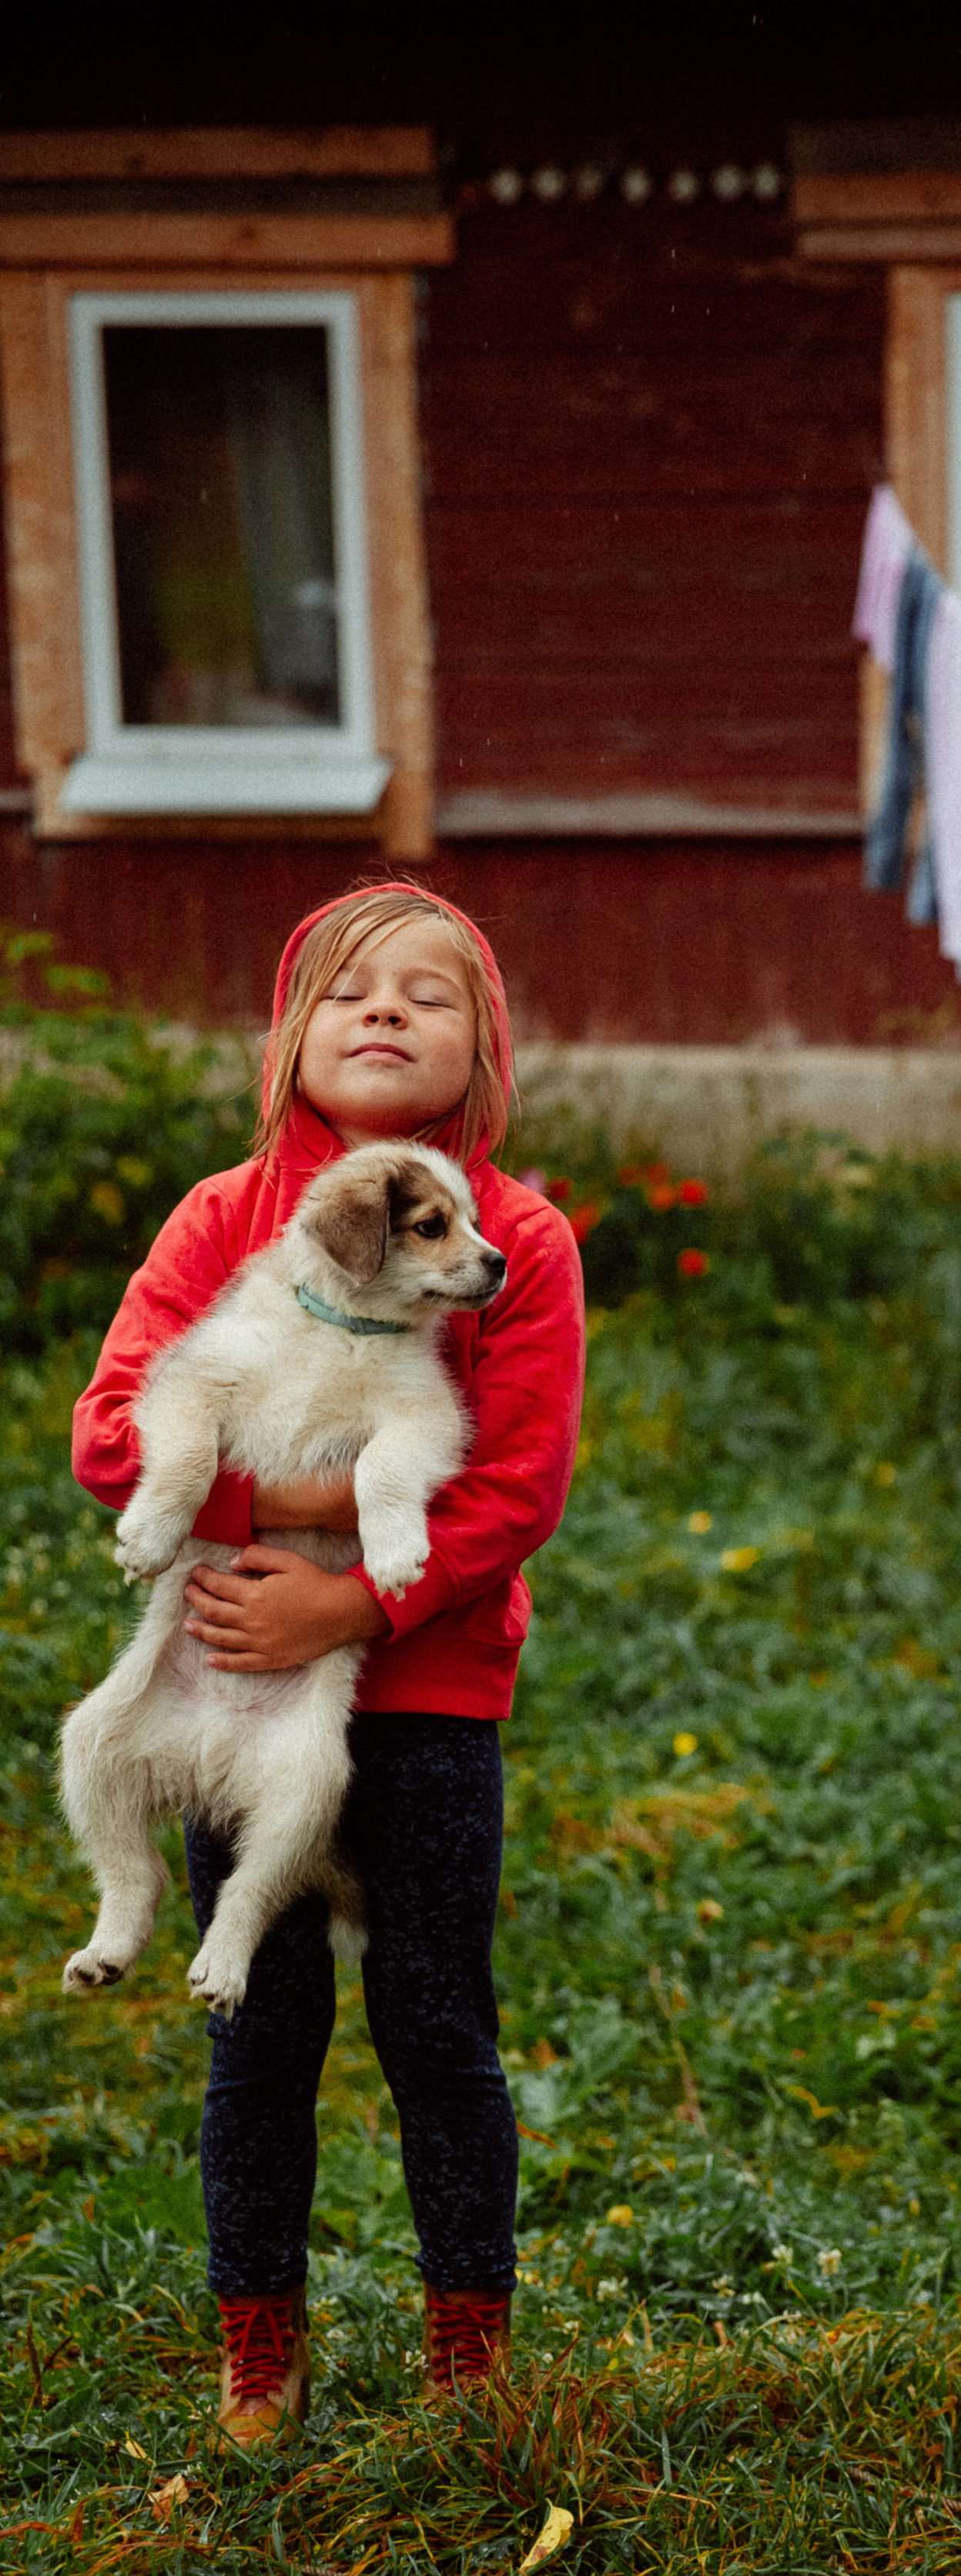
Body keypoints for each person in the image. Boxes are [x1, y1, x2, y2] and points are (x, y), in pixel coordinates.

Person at [72, 886, 585, 2445]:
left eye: (430, 996)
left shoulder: (518, 1245)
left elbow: (512, 1491)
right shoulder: (228, 1220)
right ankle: (259, 2358)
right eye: (350, 989)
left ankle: (467, 2358)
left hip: (425, 1691)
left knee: (438, 2019)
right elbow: (114, 1436)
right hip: (242, 1674)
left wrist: (352, 1609)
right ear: (292, 1034)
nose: (385, 1012)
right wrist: (285, 1522)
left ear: (482, 1052)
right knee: (261, 2027)